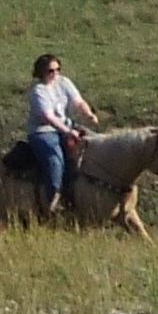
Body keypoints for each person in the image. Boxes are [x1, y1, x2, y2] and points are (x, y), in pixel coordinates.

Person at [27, 53, 98, 216]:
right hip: (43, 132)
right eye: (50, 71)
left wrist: (88, 113)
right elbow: (48, 117)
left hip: (66, 126)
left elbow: (78, 101)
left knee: (94, 147)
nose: (55, 74)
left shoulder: (63, 82)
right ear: (41, 72)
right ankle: (52, 205)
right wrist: (68, 132)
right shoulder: (38, 91)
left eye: (57, 69)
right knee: (55, 163)